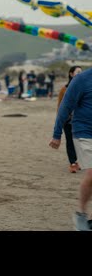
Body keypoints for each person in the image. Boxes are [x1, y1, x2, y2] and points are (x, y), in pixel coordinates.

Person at [49, 67, 92, 231]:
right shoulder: (81, 79)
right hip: (85, 132)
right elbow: (65, 106)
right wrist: (57, 134)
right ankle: (81, 214)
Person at [57, 66, 83, 173]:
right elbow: (60, 106)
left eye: (81, 72)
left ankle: (76, 160)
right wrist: (60, 119)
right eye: (78, 72)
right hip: (68, 120)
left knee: (80, 141)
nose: (80, 74)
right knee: (70, 140)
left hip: (81, 120)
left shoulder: (85, 87)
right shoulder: (64, 89)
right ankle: (72, 163)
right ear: (71, 74)